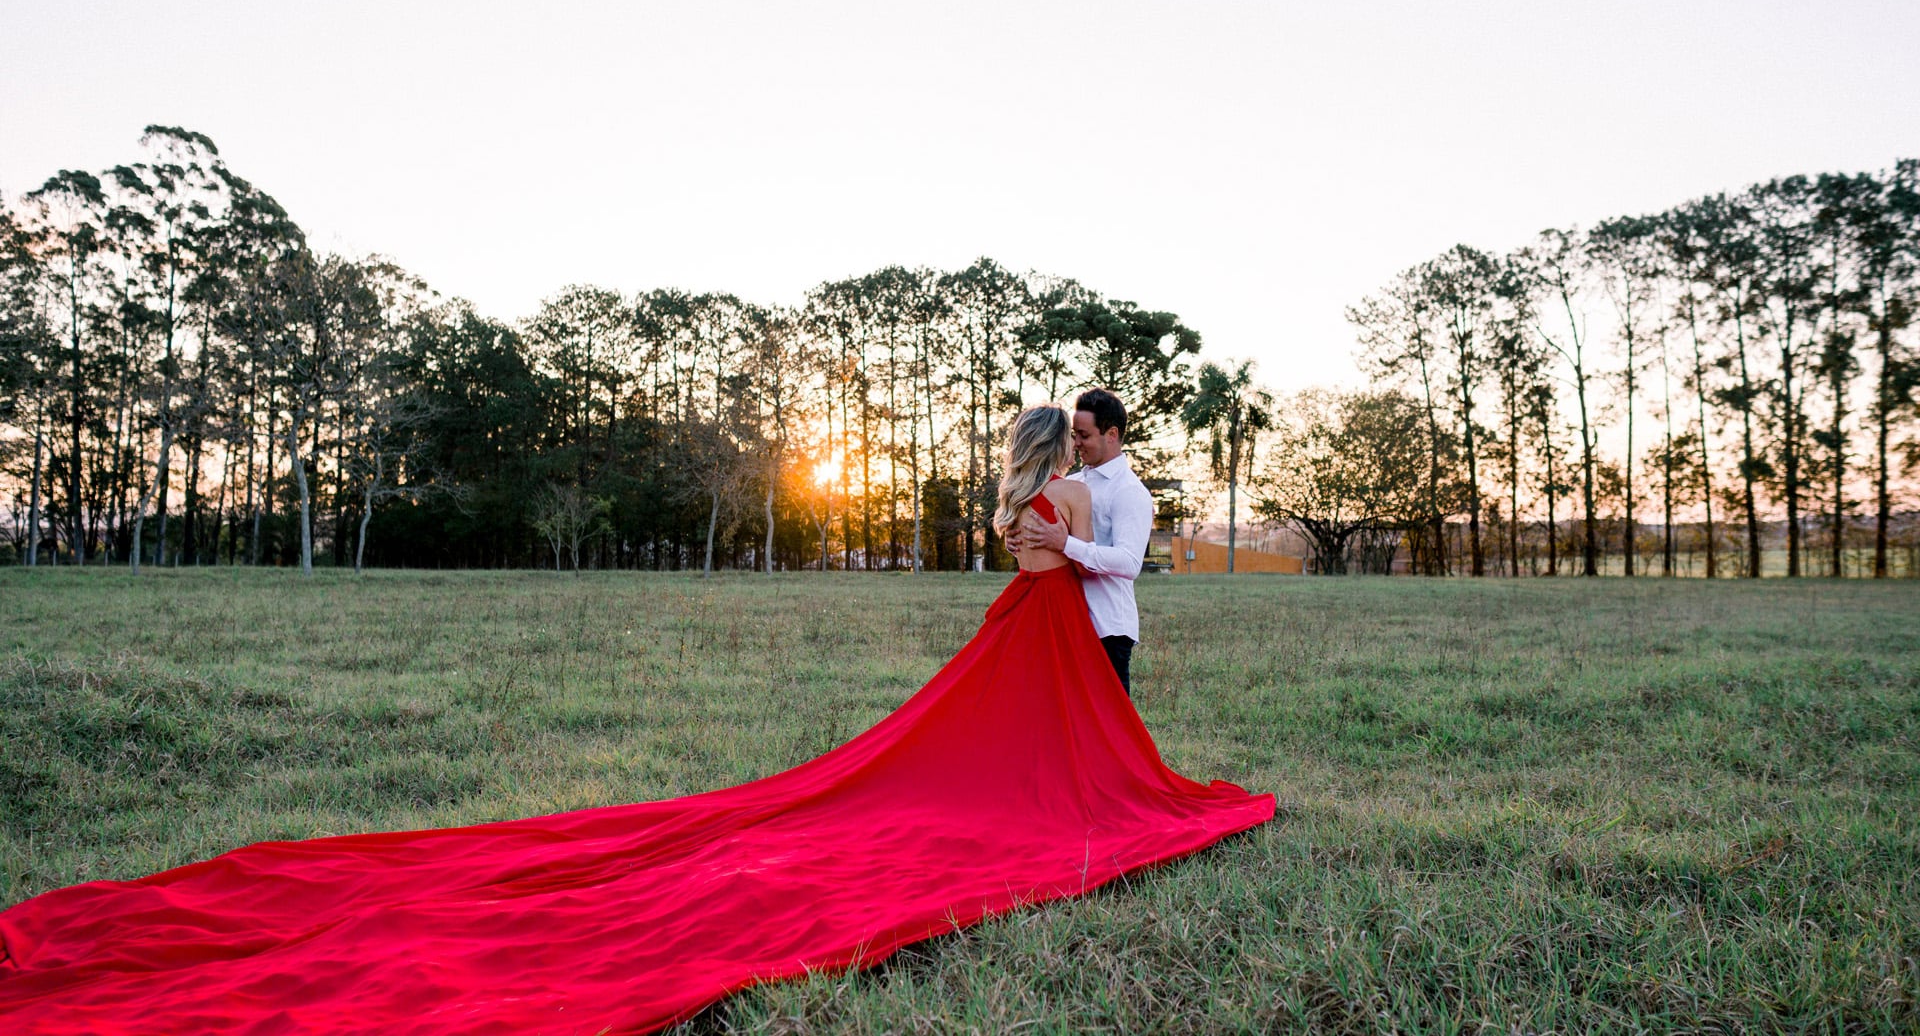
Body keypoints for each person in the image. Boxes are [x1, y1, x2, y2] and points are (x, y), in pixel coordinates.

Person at [0, 404, 1269, 1036]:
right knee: (1052, 769)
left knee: (1041, 759)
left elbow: (1071, 562)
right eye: (1072, 440)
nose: (1076, 447)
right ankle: (1086, 811)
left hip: (1053, 630)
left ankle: (1082, 804)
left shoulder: (1057, 502)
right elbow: (1080, 564)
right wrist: (1070, 537)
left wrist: (1062, 539)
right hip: (1059, 634)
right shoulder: (1065, 500)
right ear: (1070, 443)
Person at [1010, 388, 1154, 696]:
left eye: (1084, 435)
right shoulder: (1072, 485)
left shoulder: (1130, 491)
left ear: (1111, 434)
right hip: (1065, 624)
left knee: (1111, 723)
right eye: (1073, 435)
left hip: (1107, 625)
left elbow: (1130, 563)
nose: (1075, 443)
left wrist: (1066, 544)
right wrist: (1015, 539)